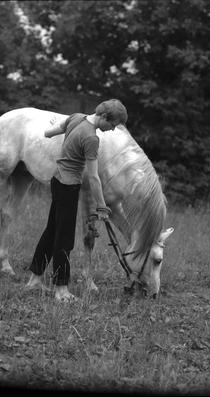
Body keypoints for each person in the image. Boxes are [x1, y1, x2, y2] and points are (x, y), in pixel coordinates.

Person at [25, 99, 128, 302]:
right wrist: (101, 205)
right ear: (105, 118)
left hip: (57, 181)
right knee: (64, 239)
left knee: (52, 231)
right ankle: (61, 290)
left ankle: (34, 279)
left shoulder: (75, 118)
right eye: (113, 124)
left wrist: (54, 127)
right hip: (69, 187)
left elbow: (48, 133)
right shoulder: (91, 138)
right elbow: (94, 177)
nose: (113, 129)